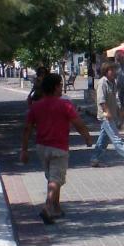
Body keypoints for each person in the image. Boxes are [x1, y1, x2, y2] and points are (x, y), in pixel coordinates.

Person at [20, 73, 93, 224]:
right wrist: (86, 136)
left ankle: (56, 207)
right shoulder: (65, 105)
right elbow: (77, 123)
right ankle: (47, 207)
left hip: (42, 147)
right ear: (55, 87)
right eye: (60, 85)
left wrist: (24, 149)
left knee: (52, 177)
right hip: (59, 147)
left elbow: (27, 128)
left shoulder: (36, 106)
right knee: (55, 178)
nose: (62, 87)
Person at [91, 64, 124, 168]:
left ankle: (94, 158)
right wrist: (107, 112)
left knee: (103, 140)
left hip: (112, 115)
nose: (114, 72)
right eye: (111, 70)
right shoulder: (102, 83)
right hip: (105, 116)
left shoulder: (112, 83)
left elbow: (113, 100)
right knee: (116, 137)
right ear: (106, 71)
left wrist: (119, 112)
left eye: (114, 70)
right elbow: (101, 100)